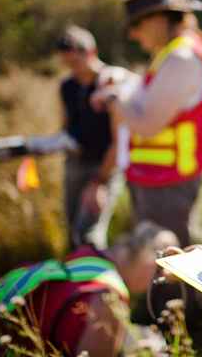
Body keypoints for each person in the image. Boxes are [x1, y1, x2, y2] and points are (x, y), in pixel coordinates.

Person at [91, 0, 202, 248]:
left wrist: (113, 100)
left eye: (136, 25)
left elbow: (147, 125)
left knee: (167, 263)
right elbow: (156, 94)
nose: (132, 34)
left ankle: (178, 294)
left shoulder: (181, 59)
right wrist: (123, 78)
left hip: (167, 183)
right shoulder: (176, 54)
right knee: (163, 258)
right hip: (163, 177)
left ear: (158, 19)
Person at [0, 222, 178, 356]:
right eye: (158, 273)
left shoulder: (88, 255)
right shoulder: (110, 301)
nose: (157, 282)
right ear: (149, 264)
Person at [57, 25, 139, 249]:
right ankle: (72, 279)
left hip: (104, 166)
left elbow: (118, 138)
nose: (72, 69)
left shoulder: (111, 83)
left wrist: (100, 181)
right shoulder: (67, 86)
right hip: (74, 163)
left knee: (89, 234)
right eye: (67, 64)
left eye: (75, 63)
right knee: (72, 228)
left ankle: (96, 281)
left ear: (91, 53)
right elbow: (65, 125)